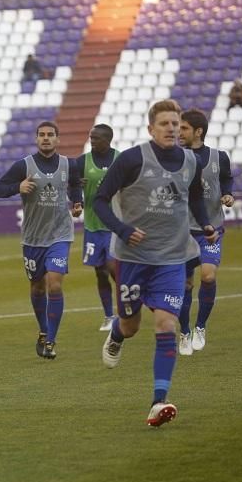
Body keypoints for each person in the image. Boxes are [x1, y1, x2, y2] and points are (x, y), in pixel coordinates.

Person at [93, 99, 217, 427]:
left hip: (172, 260)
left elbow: (193, 197)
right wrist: (122, 229)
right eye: (164, 124)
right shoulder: (132, 159)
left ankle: (158, 402)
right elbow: (100, 200)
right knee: (131, 326)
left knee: (167, 324)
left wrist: (204, 223)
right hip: (132, 260)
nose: (172, 129)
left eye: (175, 124)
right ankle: (118, 335)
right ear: (151, 129)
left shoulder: (191, 161)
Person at [0, 121, 82, 359]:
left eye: (50, 135)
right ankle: (43, 331)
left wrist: (77, 202)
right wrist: (18, 186)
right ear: (36, 139)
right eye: (42, 135)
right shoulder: (23, 165)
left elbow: (75, 185)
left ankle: (51, 340)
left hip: (60, 235)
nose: (46, 138)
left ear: (57, 139)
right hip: (33, 238)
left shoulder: (68, 164)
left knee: (54, 283)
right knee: (37, 286)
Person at [177, 108, 234, 355]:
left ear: (197, 132)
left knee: (208, 277)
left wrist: (228, 193)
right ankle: (184, 331)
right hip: (181, 232)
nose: (178, 132)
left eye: (184, 128)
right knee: (185, 284)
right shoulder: (174, 158)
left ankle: (200, 326)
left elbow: (226, 179)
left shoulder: (218, 157)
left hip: (210, 228)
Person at [76, 124, 120, 331]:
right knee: (100, 272)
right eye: (91, 137)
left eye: (96, 138)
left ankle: (124, 310)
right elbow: (70, 184)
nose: (92, 141)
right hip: (93, 225)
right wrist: (75, 196)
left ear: (108, 139)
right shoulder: (83, 162)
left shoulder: (120, 159)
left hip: (114, 225)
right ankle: (109, 316)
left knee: (114, 268)